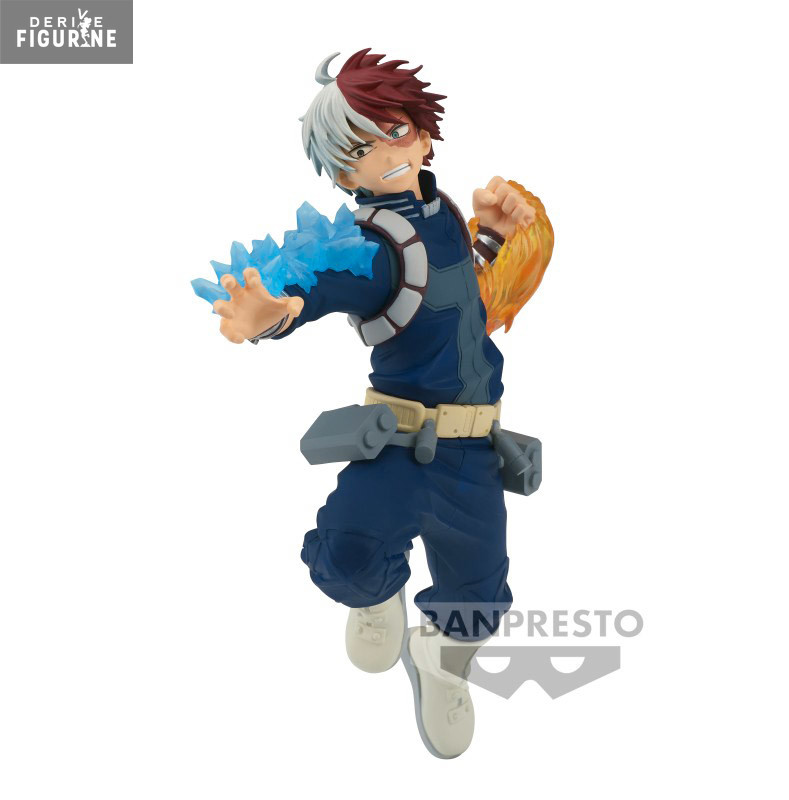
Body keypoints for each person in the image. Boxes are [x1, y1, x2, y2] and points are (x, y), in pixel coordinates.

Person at [192, 49, 554, 758]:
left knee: (479, 599)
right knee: (350, 557)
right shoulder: (372, 244)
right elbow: (329, 282)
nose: (389, 150)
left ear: (422, 132)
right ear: (343, 172)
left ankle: (439, 663)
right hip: (401, 447)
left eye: (396, 129)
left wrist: (489, 235)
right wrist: (278, 313)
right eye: (362, 147)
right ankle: (377, 596)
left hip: (475, 455)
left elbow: (462, 295)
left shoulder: (442, 215)